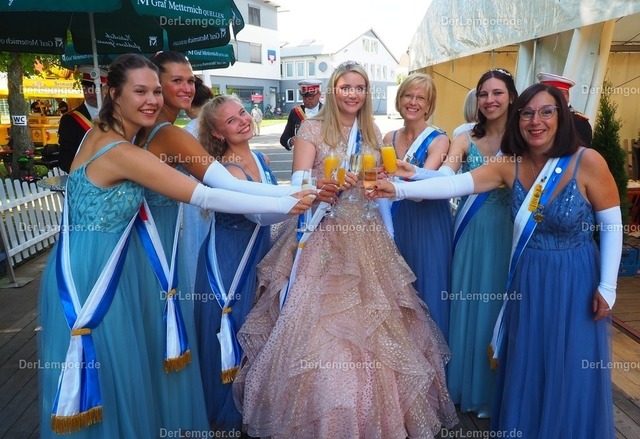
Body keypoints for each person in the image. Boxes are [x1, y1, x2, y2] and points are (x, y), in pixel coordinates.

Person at [38, 53, 312, 438]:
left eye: (155, 91)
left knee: (120, 374)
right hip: (92, 273)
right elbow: (206, 195)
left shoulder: (105, 133)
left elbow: (219, 185)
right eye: (141, 91)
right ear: (113, 93)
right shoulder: (123, 151)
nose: (152, 99)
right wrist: (286, 202)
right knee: (107, 372)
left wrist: (289, 196)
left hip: (106, 261)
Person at [373, 82, 622, 438]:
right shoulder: (509, 163)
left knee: (571, 361)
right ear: (518, 120)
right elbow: (454, 185)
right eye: (527, 114)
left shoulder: (588, 161)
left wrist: (608, 286)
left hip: (576, 279)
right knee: (528, 358)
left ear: (561, 117)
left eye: (546, 112)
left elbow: (611, 225)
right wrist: (399, 188)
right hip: (528, 276)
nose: (536, 121)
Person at [232, 60, 458, 438]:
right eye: (345, 87)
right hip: (324, 232)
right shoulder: (312, 127)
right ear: (333, 89)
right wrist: (325, 183)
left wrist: (381, 179)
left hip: (368, 235)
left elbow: (379, 181)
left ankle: (374, 415)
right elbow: (298, 182)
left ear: (367, 93)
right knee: (321, 326)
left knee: (378, 325)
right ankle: (325, 413)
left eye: (359, 88)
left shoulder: (374, 131)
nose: (352, 94)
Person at [134, 50, 311, 432]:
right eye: (175, 81)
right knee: (220, 328)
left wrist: (298, 191)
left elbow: (246, 194)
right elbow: (229, 196)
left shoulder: (254, 157)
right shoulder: (171, 138)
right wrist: (294, 201)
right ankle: (220, 413)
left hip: (219, 248)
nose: (187, 87)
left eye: (190, 80)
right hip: (199, 254)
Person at [193, 95, 292, 434]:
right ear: (217, 133)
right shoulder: (227, 169)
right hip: (229, 259)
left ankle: (252, 404)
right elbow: (258, 215)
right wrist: (301, 202)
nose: (243, 120)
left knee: (255, 330)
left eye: (242, 112)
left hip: (257, 251)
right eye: (231, 121)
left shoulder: (261, 157)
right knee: (233, 328)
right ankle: (227, 413)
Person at [444, 68, 517, 418]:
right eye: (484, 94)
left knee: (499, 306)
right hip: (471, 233)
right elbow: (445, 176)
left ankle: (495, 392)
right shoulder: (463, 138)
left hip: (509, 233)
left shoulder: (525, 138)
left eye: (497, 93)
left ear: (512, 97)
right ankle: (466, 387)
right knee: (468, 304)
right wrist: (413, 179)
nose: (490, 100)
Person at [382, 72, 453, 340]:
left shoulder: (439, 139)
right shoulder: (388, 138)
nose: (413, 102)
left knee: (429, 287)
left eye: (420, 98)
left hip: (427, 222)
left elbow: (422, 188)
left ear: (429, 105)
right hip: (395, 220)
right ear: (399, 100)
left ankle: (434, 357)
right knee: (398, 291)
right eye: (408, 96)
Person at [57, 66, 107, 173]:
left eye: (96, 88)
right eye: (86, 88)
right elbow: (65, 160)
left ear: (106, 89)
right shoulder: (70, 120)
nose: (91, 93)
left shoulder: (117, 116)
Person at [537, 72, 593, 147]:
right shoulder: (537, 115)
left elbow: (581, 152)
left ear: (564, 95)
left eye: (549, 95)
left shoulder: (578, 122)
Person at [280, 79, 323, 150]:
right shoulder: (295, 112)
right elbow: (284, 138)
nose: (307, 99)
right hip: (301, 153)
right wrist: (291, 141)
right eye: (304, 96)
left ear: (319, 94)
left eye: (310, 96)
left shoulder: (327, 111)